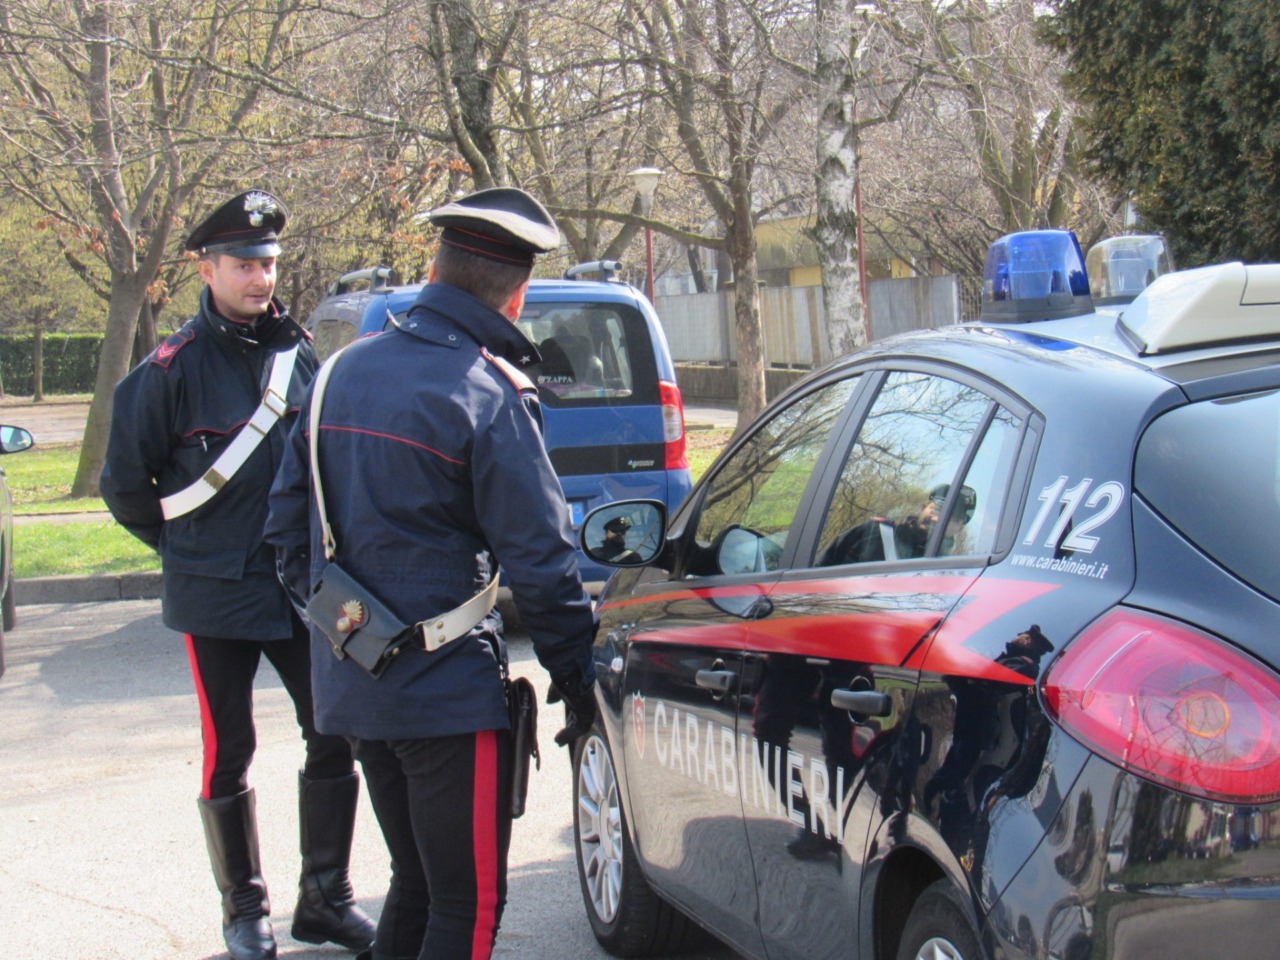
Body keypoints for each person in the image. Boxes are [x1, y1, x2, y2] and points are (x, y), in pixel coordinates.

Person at [264, 186, 599, 960]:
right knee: (468, 905)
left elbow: (286, 537)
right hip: (447, 696)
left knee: (414, 887)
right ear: (515, 294)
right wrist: (578, 683)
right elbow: (544, 565)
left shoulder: (337, 375)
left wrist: (350, 636)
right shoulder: (487, 393)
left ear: (434, 268)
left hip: (354, 687)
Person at [100, 191, 374, 960]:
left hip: (299, 590)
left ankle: (325, 898)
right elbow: (125, 485)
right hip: (213, 591)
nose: (261, 278)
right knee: (230, 749)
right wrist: (189, 550)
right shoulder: (168, 372)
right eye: (246, 264)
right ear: (208, 267)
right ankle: (244, 910)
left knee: (333, 734)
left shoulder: (301, 356)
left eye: (269, 264)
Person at [818, 482, 977, 566]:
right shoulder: (874, 533)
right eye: (936, 510)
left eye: (951, 518)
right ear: (923, 508)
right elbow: (816, 575)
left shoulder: (952, 572)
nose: (937, 519)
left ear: (959, 528)